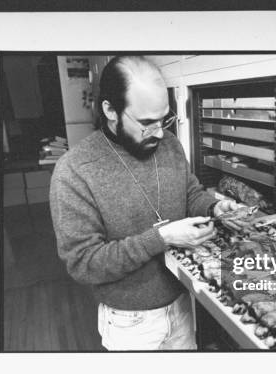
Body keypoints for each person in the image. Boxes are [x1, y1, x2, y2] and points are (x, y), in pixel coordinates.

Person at [49, 56, 247, 351]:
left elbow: (190, 193)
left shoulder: (169, 144)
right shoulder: (74, 171)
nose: (159, 132)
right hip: (130, 324)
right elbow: (84, 263)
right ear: (110, 110)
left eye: (164, 119)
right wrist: (162, 238)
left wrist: (213, 207)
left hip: (181, 303)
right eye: (145, 123)